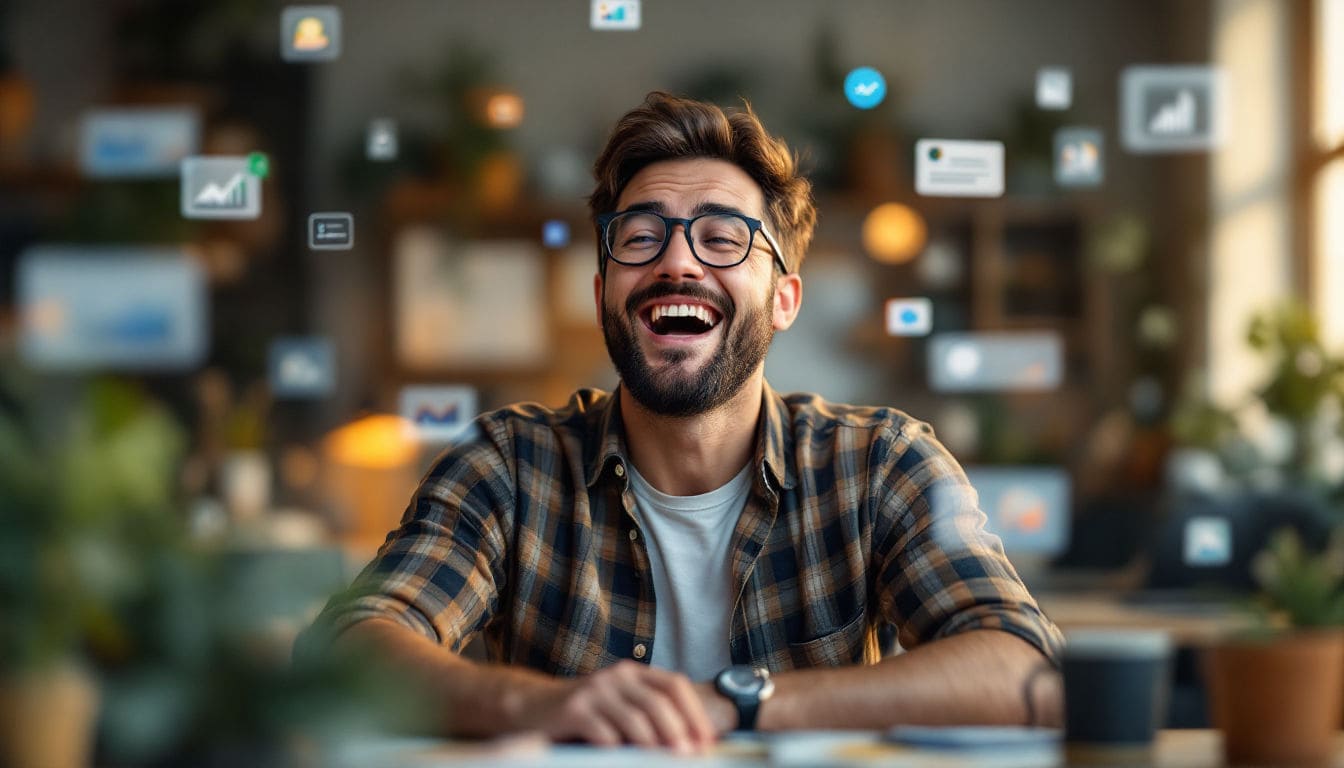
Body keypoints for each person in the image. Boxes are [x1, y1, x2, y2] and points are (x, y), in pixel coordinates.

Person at [301, 91, 1063, 754]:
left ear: (785, 299)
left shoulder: (882, 464)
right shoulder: (506, 466)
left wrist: (739, 705)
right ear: (605, 290)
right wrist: (537, 705)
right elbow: (342, 651)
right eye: (641, 236)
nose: (677, 262)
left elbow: (1029, 669)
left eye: (724, 237)